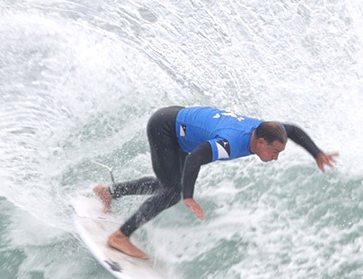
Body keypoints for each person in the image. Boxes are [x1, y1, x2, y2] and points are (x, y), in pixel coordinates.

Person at [94, 105, 338, 258]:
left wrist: (316, 153)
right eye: (274, 152)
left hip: (181, 126)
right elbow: (195, 158)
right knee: (172, 190)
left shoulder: (265, 130)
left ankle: (110, 192)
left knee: (167, 183)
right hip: (166, 129)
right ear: (260, 142)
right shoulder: (231, 142)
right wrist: (187, 195)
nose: (275, 158)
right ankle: (120, 236)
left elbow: (292, 130)